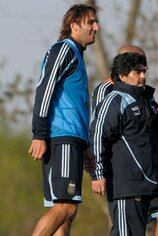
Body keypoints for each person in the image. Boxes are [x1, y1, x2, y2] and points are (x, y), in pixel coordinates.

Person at [28, 4, 100, 236]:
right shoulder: (63, 50)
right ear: (74, 26)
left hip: (73, 140)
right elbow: (44, 89)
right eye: (91, 22)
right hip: (62, 138)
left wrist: (87, 144)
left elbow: (78, 106)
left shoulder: (75, 54)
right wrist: (39, 134)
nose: (96, 28)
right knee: (66, 207)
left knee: (66, 214)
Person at [89, 52, 158, 235]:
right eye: (138, 72)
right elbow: (97, 136)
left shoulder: (148, 99)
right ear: (123, 76)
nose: (144, 76)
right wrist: (97, 174)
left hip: (154, 181)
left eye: (145, 71)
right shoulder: (114, 101)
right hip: (127, 185)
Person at [90, 45, 147, 114]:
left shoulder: (144, 91)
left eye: (144, 61)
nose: (145, 66)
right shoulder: (105, 89)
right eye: (138, 60)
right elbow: (99, 120)